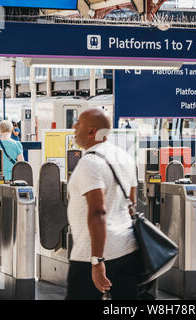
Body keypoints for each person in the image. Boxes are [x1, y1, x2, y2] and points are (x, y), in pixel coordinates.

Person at [66, 108, 142, 300]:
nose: (74, 127)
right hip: (127, 248)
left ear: (91, 131)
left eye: (79, 124)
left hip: (91, 254)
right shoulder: (124, 157)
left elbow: (98, 212)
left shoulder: (90, 162)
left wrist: (97, 260)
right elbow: (131, 202)